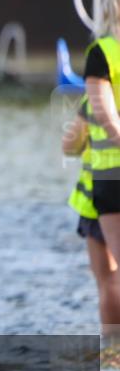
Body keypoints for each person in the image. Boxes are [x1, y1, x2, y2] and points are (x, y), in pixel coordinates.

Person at [80, 0, 120, 334]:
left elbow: (104, 121)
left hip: (107, 179)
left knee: (110, 281)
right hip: (108, 182)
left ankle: (111, 358)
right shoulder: (104, 53)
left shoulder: (103, 52)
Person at [63, 97, 120, 327]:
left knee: (106, 282)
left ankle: (112, 354)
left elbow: (69, 146)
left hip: (94, 199)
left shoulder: (95, 100)